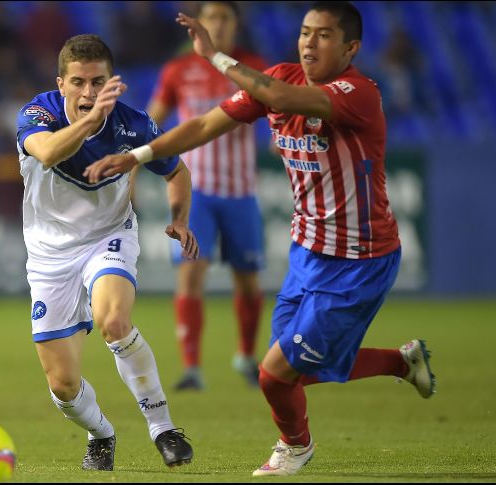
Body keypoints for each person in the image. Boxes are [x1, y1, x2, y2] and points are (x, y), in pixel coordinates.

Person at [84, 2, 437, 476]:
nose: (310, 42)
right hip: (307, 253)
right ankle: (401, 361)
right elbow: (205, 125)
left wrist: (214, 57)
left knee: (274, 373)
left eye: (325, 35)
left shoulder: (359, 93)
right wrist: (139, 155)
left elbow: (282, 98)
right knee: (294, 366)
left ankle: (296, 446)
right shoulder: (280, 76)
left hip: (359, 260)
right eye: (305, 32)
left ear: (351, 48)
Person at [16, 34, 197, 471]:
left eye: (98, 82)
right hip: (48, 254)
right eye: (78, 82)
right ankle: (101, 434)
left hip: (108, 236)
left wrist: (180, 218)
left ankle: (163, 428)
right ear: (61, 83)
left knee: (114, 320)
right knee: (62, 383)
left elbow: (176, 171)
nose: (88, 92)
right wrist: (91, 118)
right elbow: (47, 153)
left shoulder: (133, 125)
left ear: (111, 81)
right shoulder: (35, 114)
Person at [143, 1, 269, 391]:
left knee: (248, 282)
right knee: (191, 276)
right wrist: (135, 161)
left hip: (240, 193)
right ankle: (192, 368)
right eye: (210, 17)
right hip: (196, 194)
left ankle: (246, 357)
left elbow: (282, 111)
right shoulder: (178, 70)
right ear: (198, 25)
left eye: (224, 18)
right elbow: (151, 123)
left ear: (235, 25)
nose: (217, 23)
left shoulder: (254, 67)